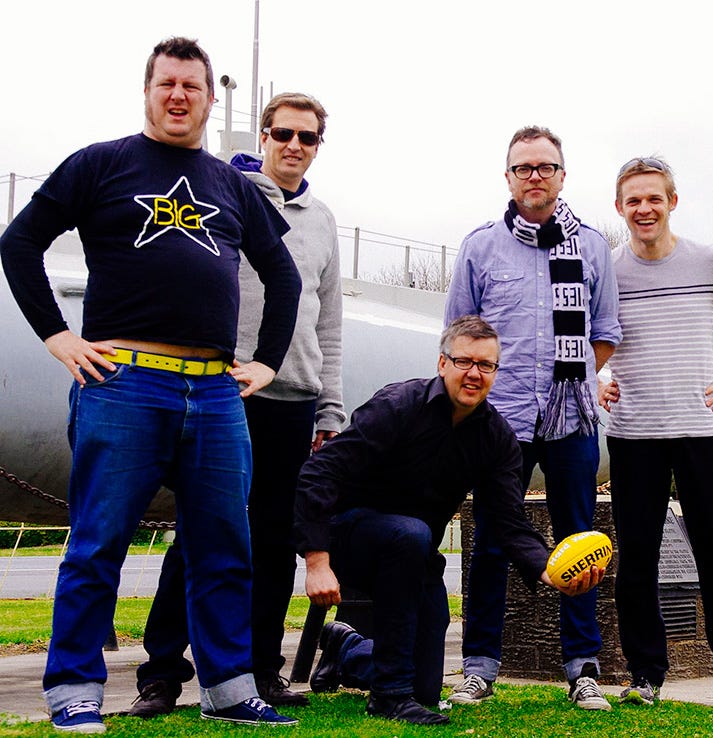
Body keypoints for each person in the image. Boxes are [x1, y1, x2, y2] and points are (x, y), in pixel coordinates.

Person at [0, 38, 303, 732]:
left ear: (207, 96)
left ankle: (229, 688)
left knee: (227, 545)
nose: (179, 97)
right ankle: (74, 689)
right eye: (167, 84)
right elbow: (20, 243)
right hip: (124, 384)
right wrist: (57, 336)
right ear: (148, 90)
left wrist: (267, 360)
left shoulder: (232, 186)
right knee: (98, 540)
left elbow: (282, 274)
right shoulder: (100, 164)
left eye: (192, 86)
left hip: (216, 392)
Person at [129, 92, 344, 717]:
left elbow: (327, 322)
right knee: (199, 534)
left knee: (275, 541)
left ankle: (259, 671)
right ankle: (163, 672)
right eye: (283, 134)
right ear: (264, 135)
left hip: (294, 397)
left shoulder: (324, 219)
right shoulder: (222, 193)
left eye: (308, 138)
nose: (294, 147)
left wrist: (329, 408)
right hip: (225, 390)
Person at [297, 315, 603, 725]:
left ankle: (348, 650)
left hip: (415, 555)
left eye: (486, 365)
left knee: (424, 686)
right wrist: (317, 561)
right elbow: (320, 473)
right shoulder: (397, 406)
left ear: (496, 371)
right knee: (409, 534)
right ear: (443, 363)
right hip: (350, 539)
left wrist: (549, 571)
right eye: (465, 362)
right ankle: (388, 698)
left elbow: (508, 519)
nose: (475, 374)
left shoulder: (496, 438)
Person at [444, 126, 621, 710]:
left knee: (581, 543)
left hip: (572, 421)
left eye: (545, 166)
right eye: (524, 168)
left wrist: (571, 385)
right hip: (499, 422)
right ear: (509, 177)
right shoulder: (480, 247)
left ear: (562, 175)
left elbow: (605, 333)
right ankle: (479, 666)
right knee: (492, 540)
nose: (535, 176)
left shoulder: (593, 246)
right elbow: (458, 338)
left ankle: (583, 667)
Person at [599, 156, 713, 709]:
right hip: (634, 435)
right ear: (620, 208)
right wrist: (596, 377)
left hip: (701, 429)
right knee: (638, 559)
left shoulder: (708, 259)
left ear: (672, 201)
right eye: (633, 201)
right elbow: (583, 333)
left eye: (654, 198)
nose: (644, 209)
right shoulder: (606, 268)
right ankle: (645, 676)